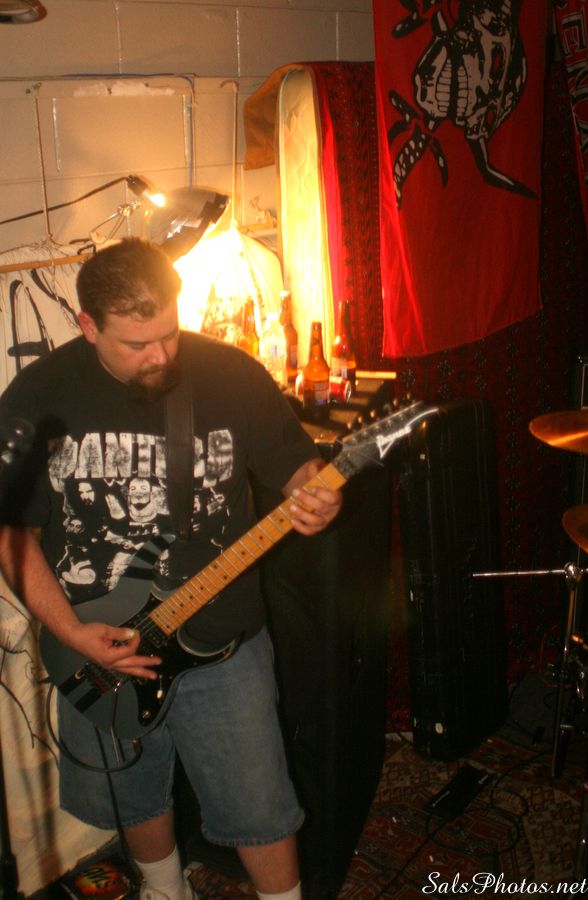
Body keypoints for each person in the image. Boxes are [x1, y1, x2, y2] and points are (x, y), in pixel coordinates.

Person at [0, 238, 342, 900]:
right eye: (138, 344)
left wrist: (316, 492)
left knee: (262, 806)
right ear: (88, 326)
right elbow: (11, 528)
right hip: (97, 643)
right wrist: (70, 632)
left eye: (168, 334)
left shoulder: (231, 374)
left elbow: (295, 463)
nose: (161, 356)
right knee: (135, 793)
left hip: (223, 642)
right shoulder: (39, 394)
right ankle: (164, 890)